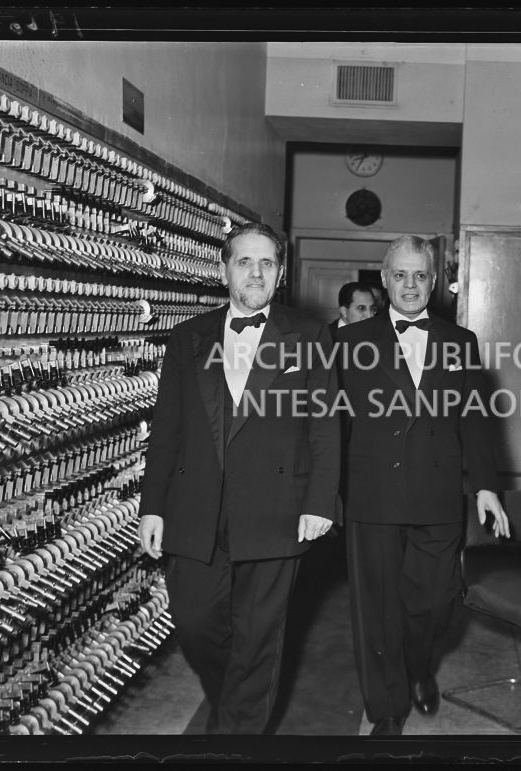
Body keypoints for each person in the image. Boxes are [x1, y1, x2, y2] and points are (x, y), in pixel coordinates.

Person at [137, 222, 340, 734]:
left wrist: (320, 502)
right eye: (245, 262)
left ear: (281, 273)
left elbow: (325, 428)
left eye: (267, 263)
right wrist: (152, 506)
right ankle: (235, 701)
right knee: (195, 623)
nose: (256, 273)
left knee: (260, 638)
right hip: (195, 509)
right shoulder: (189, 337)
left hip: (277, 509)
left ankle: (234, 738)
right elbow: (167, 430)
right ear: (223, 268)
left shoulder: (311, 335)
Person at [336, 235, 510, 735]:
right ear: (385, 279)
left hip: (437, 496)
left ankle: (418, 666)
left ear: (433, 283)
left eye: (420, 276)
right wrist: (324, 494)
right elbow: (331, 425)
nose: (410, 285)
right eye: (400, 275)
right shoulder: (349, 343)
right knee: (376, 611)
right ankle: (387, 709)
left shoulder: (461, 342)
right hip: (372, 495)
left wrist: (485, 487)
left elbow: (475, 422)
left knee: (434, 603)